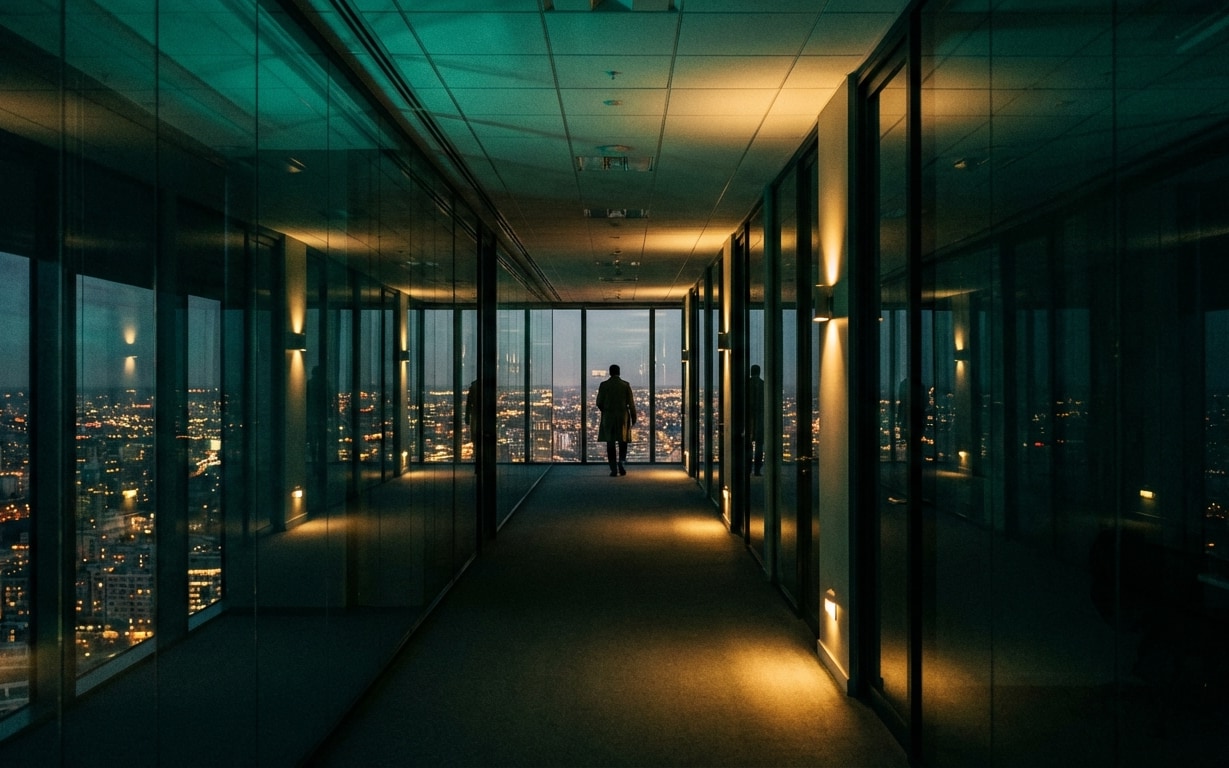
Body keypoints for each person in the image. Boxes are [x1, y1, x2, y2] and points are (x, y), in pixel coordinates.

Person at [596, 364, 637, 476]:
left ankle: (613, 468)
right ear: (619, 372)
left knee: (610, 443)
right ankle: (621, 463)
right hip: (622, 416)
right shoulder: (625, 385)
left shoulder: (604, 385)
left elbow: (599, 402)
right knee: (623, 441)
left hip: (608, 416)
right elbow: (631, 403)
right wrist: (633, 417)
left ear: (610, 372)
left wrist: (606, 411)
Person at [747, 364, 765, 476]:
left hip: (749, 419)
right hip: (760, 419)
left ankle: (748, 469)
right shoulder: (763, 385)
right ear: (759, 372)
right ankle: (757, 469)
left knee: (748, 445)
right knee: (759, 446)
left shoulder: (746, 385)